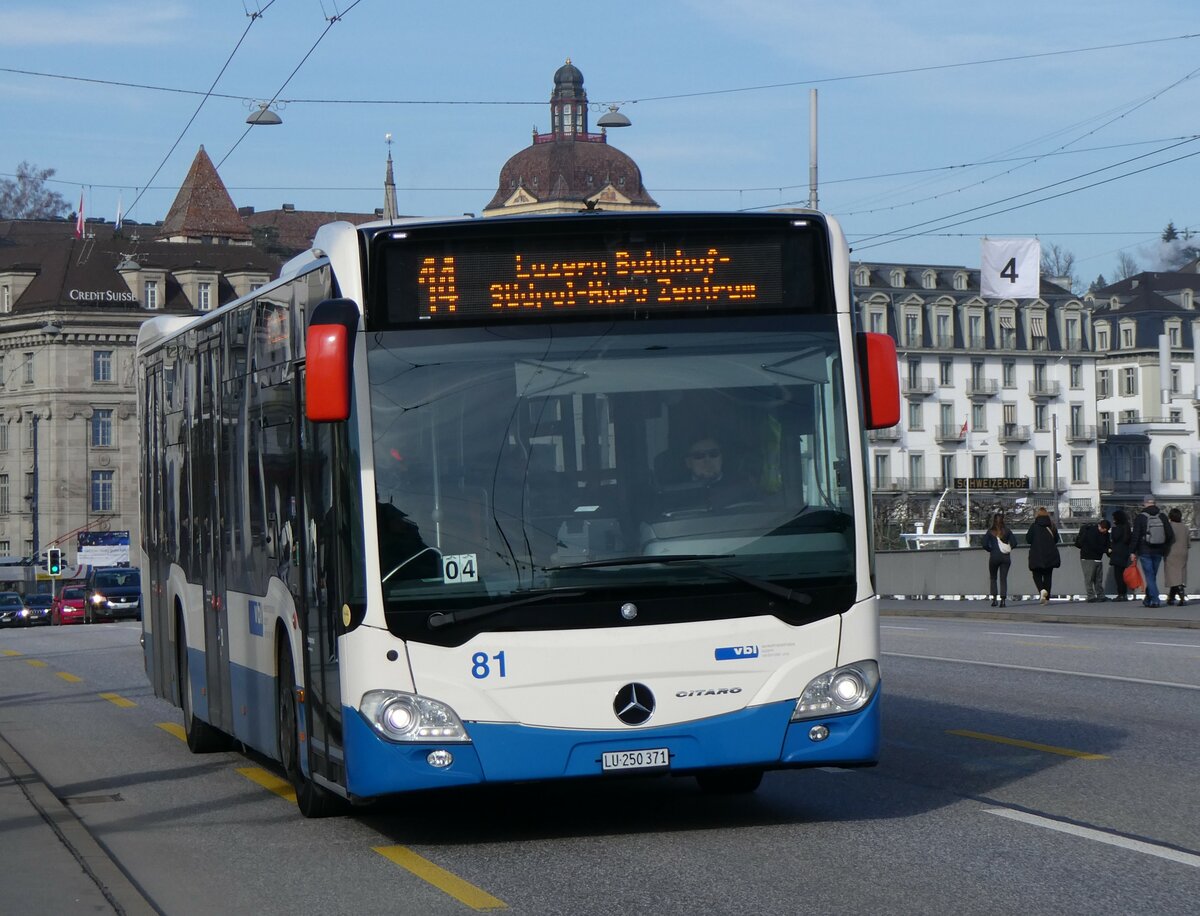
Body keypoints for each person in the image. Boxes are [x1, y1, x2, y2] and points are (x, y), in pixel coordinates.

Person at [1130, 494, 1175, 608]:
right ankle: (1147, 599)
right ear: (1155, 503)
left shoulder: (1141, 517)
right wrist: (1164, 547)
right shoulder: (1162, 516)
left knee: (1150, 576)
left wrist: (1132, 551)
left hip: (1144, 550)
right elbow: (1170, 534)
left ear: (1145, 503)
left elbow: (1135, 536)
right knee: (1152, 576)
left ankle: (1155, 600)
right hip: (1158, 550)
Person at [980, 511, 1018, 607]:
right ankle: (1003, 600)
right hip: (1005, 557)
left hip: (994, 557)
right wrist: (1008, 548)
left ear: (994, 521)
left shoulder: (990, 531)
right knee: (1003, 578)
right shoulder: (1007, 531)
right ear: (1002, 520)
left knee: (993, 578)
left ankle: (994, 599)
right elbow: (1014, 543)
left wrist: (990, 549)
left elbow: (984, 544)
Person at [1026, 507, 1061, 604]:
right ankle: (1047, 598)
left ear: (1037, 515)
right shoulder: (1052, 526)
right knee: (1048, 575)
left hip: (1037, 554)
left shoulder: (1034, 526)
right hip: (1050, 554)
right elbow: (1056, 539)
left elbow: (1028, 539)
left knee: (1036, 574)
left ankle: (1041, 590)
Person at [1074, 518, 1111, 602]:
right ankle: (1091, 596)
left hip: (1097, 558)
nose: (1105, 531)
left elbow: (1106, 544)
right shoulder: (1092, 532)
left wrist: (1108, 551)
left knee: (1098, 579)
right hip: (1088, 557)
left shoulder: (1105, 534)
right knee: (1089, 578)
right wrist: (1106, 550)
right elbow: (1093, 545)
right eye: (1104, 529)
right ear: (1101, 527)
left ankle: (1100, 595)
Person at [1163, 507, 1190, 606]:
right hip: (1183, 552)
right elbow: (1188, 542)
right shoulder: (1185, 527)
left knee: (1172, 575)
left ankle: (1181, 594)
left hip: (1171, 552)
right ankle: (1172, 597)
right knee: (1179, 574)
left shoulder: (1168, 526)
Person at [1108, 509, 1134, 601]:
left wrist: (1113, 530)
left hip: (1117, 553)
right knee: (1123, 574)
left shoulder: (1117, 528)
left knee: (1118, 575)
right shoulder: (1127, 527)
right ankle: (1124, 593)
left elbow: (1114, 538)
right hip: (1124, 553)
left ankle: (1121, 594)